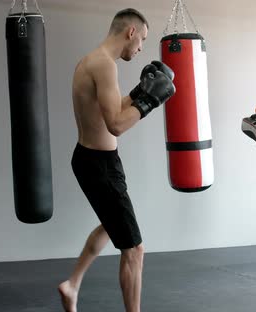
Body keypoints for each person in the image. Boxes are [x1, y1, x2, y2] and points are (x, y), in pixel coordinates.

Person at [57, 8, 175, 312]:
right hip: (100, 165)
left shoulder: (92, 61)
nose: (140, 49)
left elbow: (110, 109)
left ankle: (72, 285)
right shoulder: (104, 65)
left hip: (92, 159)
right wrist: (150, 100)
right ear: (130, 32)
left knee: (112, 226)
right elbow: (117, 125)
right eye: (142, 41)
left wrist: (138, 92)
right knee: (135, 249)